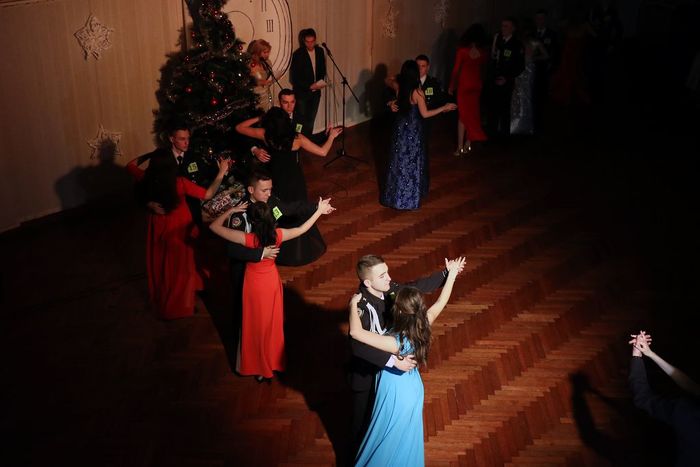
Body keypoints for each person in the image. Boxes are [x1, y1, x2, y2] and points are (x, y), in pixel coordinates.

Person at [349, 257, 466, 466]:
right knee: (403, 436)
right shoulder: (424, 322)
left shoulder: (396, 342)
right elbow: (441, 301)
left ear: (400, 312)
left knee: (385, 436)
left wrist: (351, 305)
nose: (390, 280)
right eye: (383, 275)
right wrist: (451, 274)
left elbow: (355, 334)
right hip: (412, 386)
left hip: (395, 392)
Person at [209, 197, 335, 381]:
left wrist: (231, 211)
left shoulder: (248, 239)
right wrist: (319, 211)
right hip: (270, 282)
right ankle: (272, 360)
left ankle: (260, 366)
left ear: (252, 222)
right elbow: (302, 229)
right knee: (271, 324)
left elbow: (214, 227)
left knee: (255, 325)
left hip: (253, 284)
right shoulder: (277, 235)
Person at [224, 170, 333, 364]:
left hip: (266, 277)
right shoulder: (239, 215)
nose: (269, 194)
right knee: (247, 318)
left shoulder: (271, 202)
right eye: (264, 190)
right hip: (244, 275)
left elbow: (291, 208)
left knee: (268, 318)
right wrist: (260, 254)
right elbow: (231, 250)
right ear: (251, 190)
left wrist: (317, 207)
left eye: (270, 189)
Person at [126, 132, 232, 320]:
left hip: (158, 225)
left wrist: (151, 155)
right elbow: (208, 194)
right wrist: (222, 172)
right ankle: (178, 305)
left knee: (164, 265)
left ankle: (168, 297)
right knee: (181, 268)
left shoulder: (146, 178)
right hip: (180, 226)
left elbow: (130, 165)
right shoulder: (180, 183)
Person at [235, 107, 341, 265]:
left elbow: (239, 128)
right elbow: (323, 152)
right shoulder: (297, 138)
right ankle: (300, 248)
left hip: (276, 181)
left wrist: (259, 118)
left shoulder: (265, 135)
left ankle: (283, 247)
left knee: (280, 211)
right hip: (295, 181)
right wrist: (331, 136)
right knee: (298, 209)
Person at [380, 60, 456, 210]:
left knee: (398, 163)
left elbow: (387, 79)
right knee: (411, 165)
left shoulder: (399, 87)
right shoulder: (417, 92)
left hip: (400, 131)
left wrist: (392, 99)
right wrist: (443, 108)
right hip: (413, 133)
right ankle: (408, 201)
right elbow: (425, 114)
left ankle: (395, 198)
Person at [628, 331, 700, 467]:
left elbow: (642, 398)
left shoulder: (685, 414)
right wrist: (650, 353)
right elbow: (692, 386)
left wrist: (637, 356)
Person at [449, 23, 489, 155]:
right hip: (476, 85)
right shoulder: (483, 53)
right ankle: (468, 144)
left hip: (464, 85)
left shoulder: (462, 51)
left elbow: (456, 70)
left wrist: (451, 86)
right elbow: (484, 70)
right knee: (472, 114)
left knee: (463, 116)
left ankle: (460, 147)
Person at [486, 17, 525, 140]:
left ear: (513, 28)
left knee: (504, 109)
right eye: (502, 26)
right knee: (492, 107)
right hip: (494, 79)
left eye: (506, 26)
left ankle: (504, 137)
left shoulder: (516, 44)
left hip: (506, 81)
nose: (503, 28)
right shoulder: (499, 41)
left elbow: (520, 66)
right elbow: (493, 58)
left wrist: (507, 78)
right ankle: (491, 134)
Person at [510, 21, 549, 135]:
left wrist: (533, 58)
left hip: (526, 69)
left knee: (523, 96)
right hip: (523, 69)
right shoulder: (525, 42)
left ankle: (522, 124)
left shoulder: (529, 42)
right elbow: (545, 55)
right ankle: (520, 124)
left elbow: (546, 55)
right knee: (520, 96)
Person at [289, 28, 327, 137]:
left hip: (316, 92)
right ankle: (297, 137)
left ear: (315, 40)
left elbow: (322, 70)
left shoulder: (320, 51)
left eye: (312, 41)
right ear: (303, 41)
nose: (310, 44)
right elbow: (294, 78)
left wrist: (319, 83)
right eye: (307, 42)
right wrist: (309, 86)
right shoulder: (298, 54)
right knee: (299, 119)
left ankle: (308, 138)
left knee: (311, 118)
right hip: (302, 93)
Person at [247, 39, 275, 111]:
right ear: (257, 52)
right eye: (265, 52)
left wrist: (269, 81)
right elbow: (246, 82)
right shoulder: (249, 64)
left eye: (268, 52)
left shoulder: (267, 62)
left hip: (265, 95)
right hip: (254, 96)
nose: (267, 54)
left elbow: (268, 77)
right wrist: (258, 82)